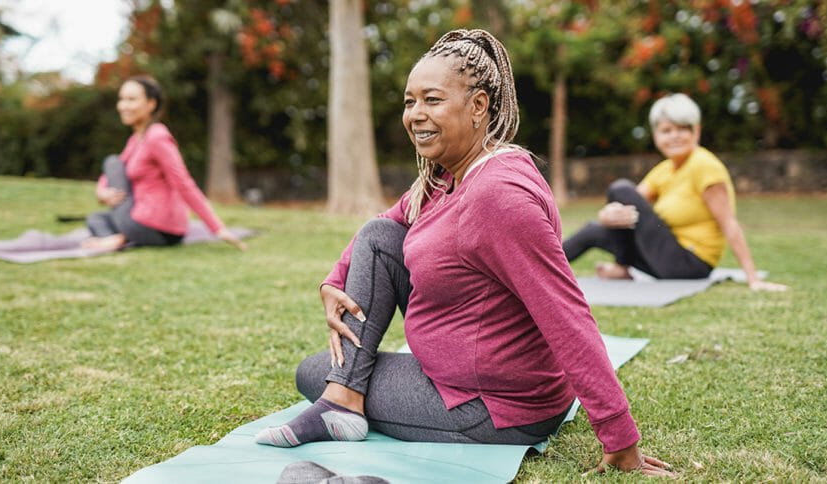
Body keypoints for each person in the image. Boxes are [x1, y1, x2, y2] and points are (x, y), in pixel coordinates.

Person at [254, 30, 674, 476]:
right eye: (409, 101)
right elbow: (385, 224)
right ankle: (344, 398)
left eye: (432, 100)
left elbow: (566, 313)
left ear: (478, 107)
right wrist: (333, 281)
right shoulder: (447, 176)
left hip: (494, 406)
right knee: (378, 238)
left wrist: (620, 436)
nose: (416, 114)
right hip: (462, 378)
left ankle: (342, 399)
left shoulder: (498, 196)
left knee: (312, 372)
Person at [562, 93, 787, 291]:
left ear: (696, 131)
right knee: (593, 229)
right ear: (656, 136)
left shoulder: (704, 165)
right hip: (664, 257)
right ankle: (536, 275)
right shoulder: (665, 170)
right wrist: (607, 215)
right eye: (667, 130)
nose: (674, 136)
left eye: (682, 129)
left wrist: (753, 279)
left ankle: (622, 267)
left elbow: (729, 223)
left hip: (690, 262)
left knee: (620, 187)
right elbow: (629, 203)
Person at [81, 75, 246, 251]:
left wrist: (217, 228)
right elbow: (112, 173)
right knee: (96, 218)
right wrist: (102, 192)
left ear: (151, 104)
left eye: (131, 99)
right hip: (144, 223)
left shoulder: (157, 136)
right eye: (121, 99)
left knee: (112, 161)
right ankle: (118, 238)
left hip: (155, 226)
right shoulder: (136, 139)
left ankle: (117, 238)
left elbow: (183, 183)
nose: (123, 106)